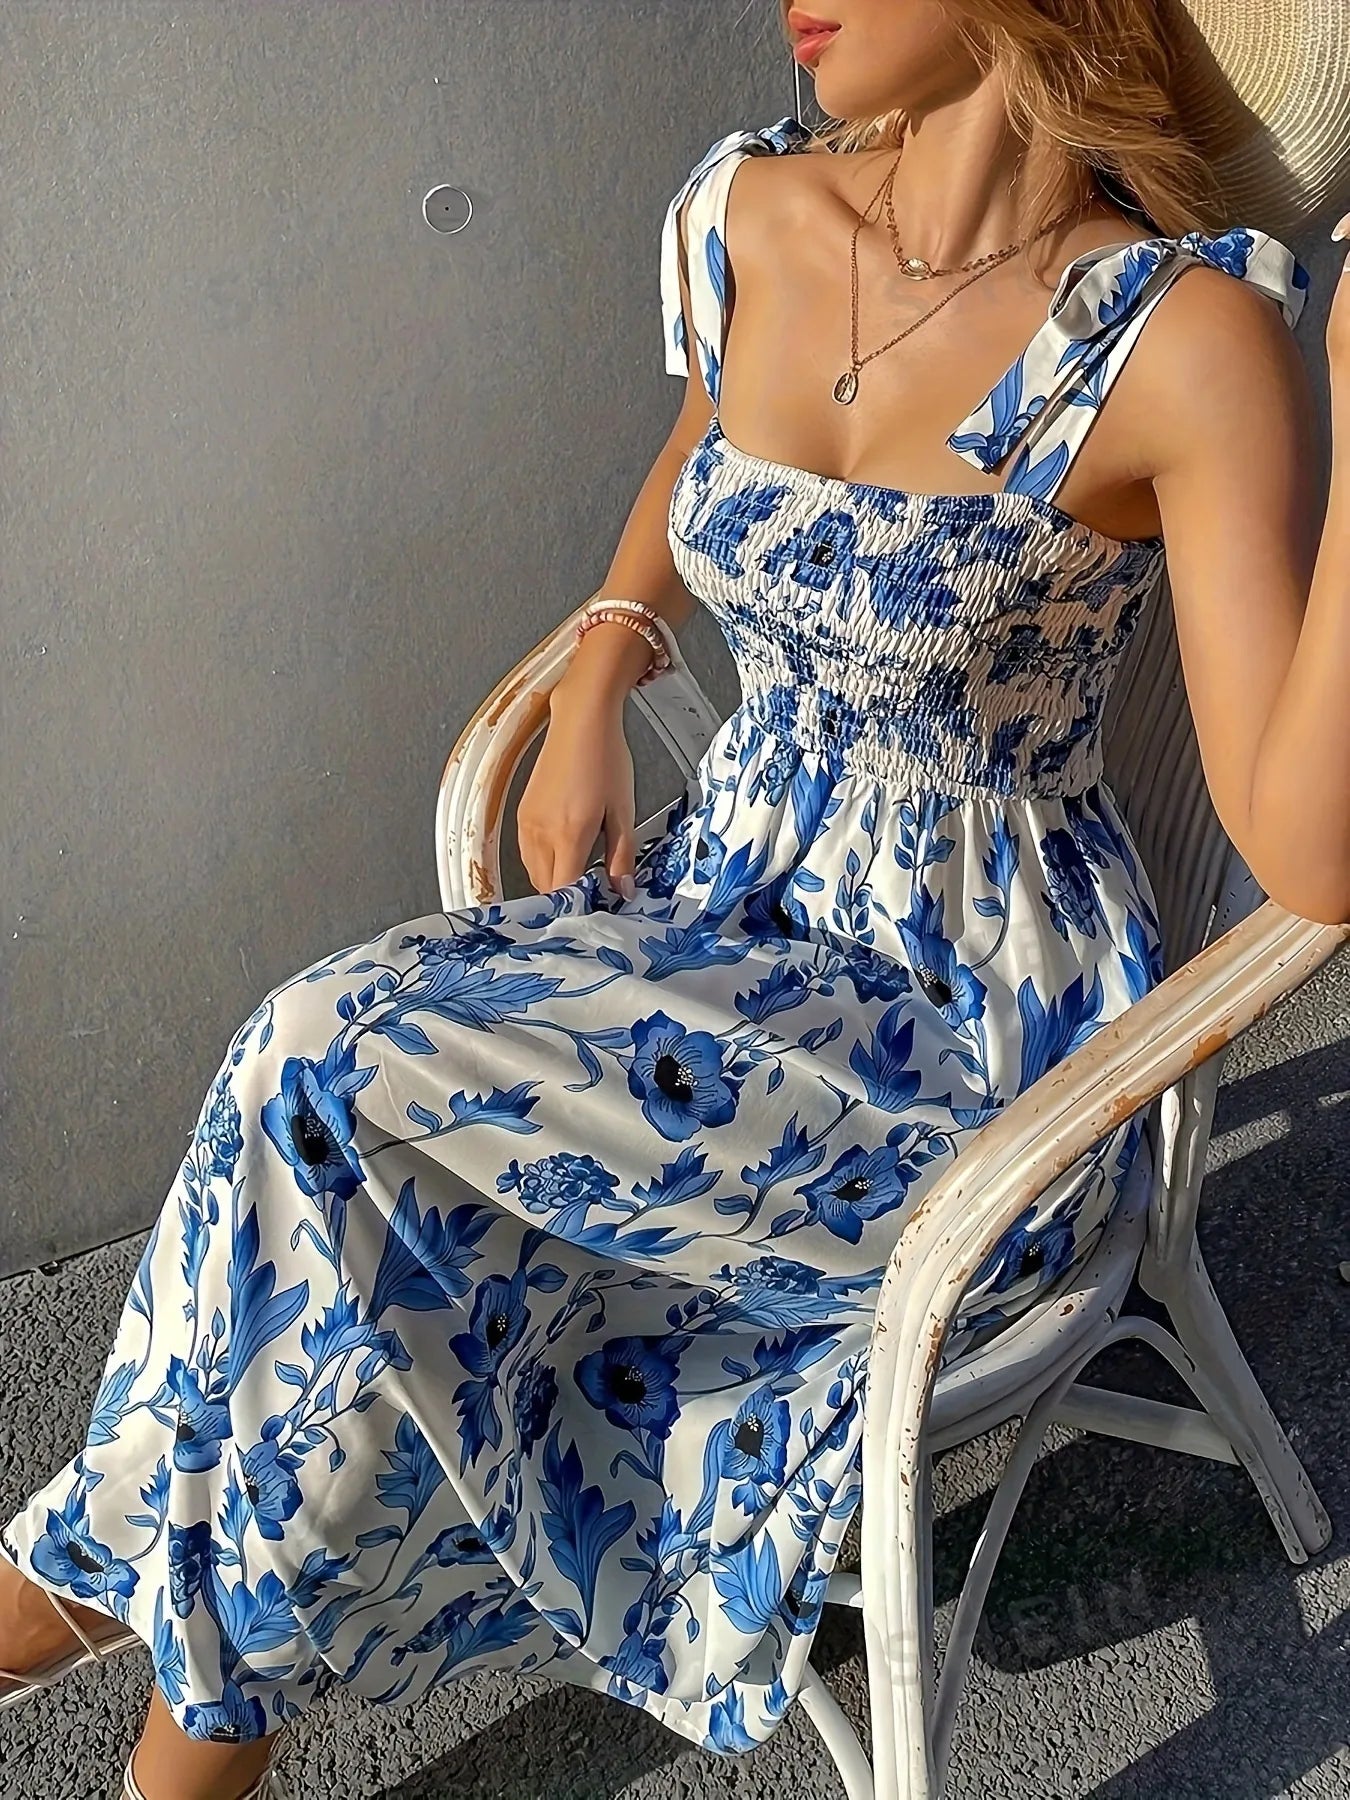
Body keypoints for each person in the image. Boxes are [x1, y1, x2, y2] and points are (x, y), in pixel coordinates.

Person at [4, 2, 1350, 1795]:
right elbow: (703, 449)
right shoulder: (757, 215)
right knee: (341, 1202)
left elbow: (1309, 857)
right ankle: (152, 1693)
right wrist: (602, 659)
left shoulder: (1177, 341)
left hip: (960, 1046)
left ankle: (61, 1608)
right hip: (716, 922)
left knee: (319, 1064)